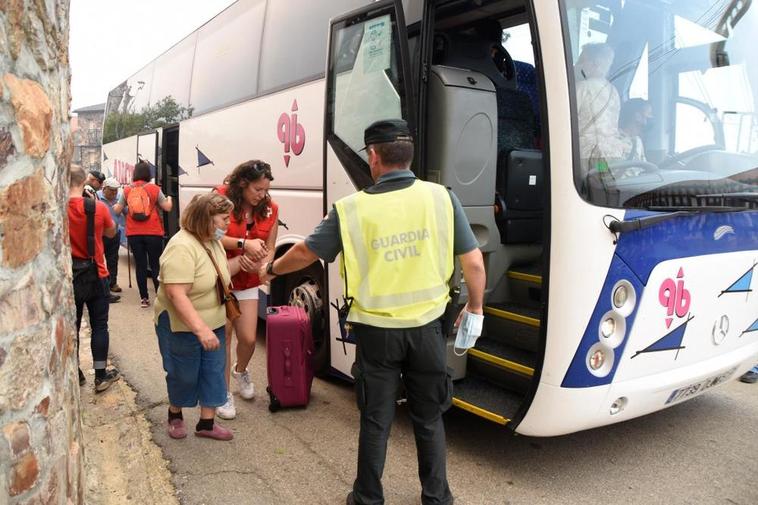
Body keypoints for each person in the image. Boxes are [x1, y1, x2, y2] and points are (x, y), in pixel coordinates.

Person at [259, 119, 486, 505]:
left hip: (376, 334)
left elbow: (305, 253)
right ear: (408, 155)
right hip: (429, 330)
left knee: (376, 419)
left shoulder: (351, 209)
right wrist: (476, 308)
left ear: (374, 156)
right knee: (429, 418)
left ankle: (367, 498)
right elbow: (474, 264)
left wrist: (272, 269)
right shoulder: (442, 198)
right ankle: (437, 497)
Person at [154, 192, 256, 441]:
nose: (227, 224)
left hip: (214, 322)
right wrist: (201, 329)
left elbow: (216, 274)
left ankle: (206, 424)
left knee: (213, 371)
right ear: (205, 219)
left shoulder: (212, 242)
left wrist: (242, 263)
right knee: (183, 373)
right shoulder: (181, 247)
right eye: (223, 218)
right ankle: (175, 414)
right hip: (182, 326)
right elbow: (177, 294)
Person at [212, 161, 277, 419]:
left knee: (249, 338)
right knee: (224, 338)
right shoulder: (220, 198)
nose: (262, 195)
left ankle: (241, 370)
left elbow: (271, 245)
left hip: (248, 281)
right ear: (243, 184)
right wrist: (244, 244)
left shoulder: (270, 209)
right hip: (223, 277)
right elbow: (209, 233)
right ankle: (223, 392)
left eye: (265, 190)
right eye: (257, 189)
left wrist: (265, 263)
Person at [68, 164, 121, 392]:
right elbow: (111, 232)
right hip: (97, 273)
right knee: (100, 325)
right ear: (84, 182)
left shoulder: (57, 207)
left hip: (70, 276)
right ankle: (100, 376)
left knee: (74, 326)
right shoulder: (97, 207)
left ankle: (76, 372)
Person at [113, 161, 173, 308]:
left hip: (134, 233)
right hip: (153, 232)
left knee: (140, 265)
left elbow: (117, 210)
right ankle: (160, 297)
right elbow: (167, 207)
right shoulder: (154, 189)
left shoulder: (127, 190)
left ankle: (144, 298)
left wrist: (117, 205)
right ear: (148, 174)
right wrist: (170, 198)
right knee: (155, 264)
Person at [574, 43, 627, 174]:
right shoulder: (613, 91)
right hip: (611, 157)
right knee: (602, 185)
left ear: (594, 64)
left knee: (587, 186)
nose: (577, 64)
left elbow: (567, 120)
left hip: (586, 156)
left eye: (581, 60)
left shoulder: (582, 87)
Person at [98, 177, 124, 302]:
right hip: (100, 234)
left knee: (113, 259)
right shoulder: (97, 197)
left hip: (115, 234)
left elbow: (126, 212)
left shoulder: (119, 198)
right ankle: (100, 284)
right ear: (104, 189)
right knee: (98, 260)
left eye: (115, 191)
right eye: (111, 191)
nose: (114, 193)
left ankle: (112, 283)